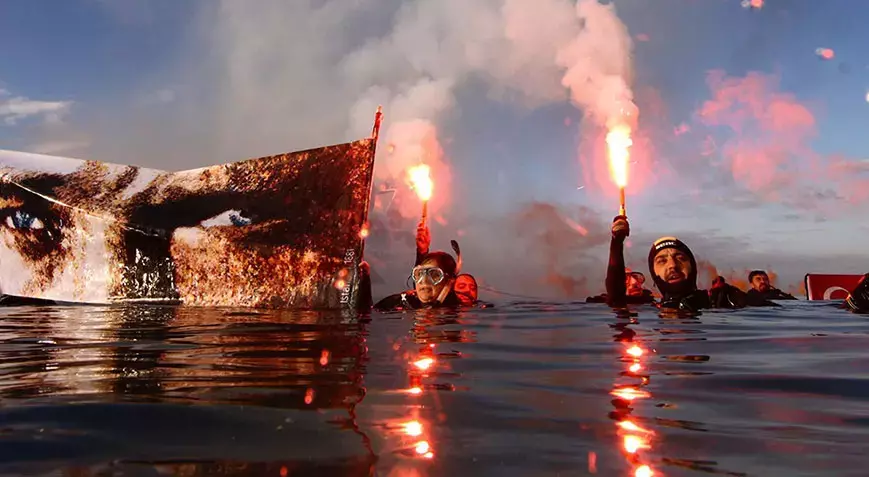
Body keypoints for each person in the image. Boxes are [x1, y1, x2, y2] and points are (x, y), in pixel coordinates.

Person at [604, 215, 748, 312]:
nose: (672, 265)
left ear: (692, 266)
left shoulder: (720, 299)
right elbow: (616, 300)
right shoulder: (648, 308)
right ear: (654, 273)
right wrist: (616, 243)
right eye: (662, 261)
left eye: (680, 258)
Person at [370, 251, 461, 311]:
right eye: (419, 274)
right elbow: (366, 312)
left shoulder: (458, 309)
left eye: (434, 274)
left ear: (448, 281)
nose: (424, 281)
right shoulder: (403, 301)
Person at [586, 268, 655, 304]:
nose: (634, 281)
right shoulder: (600, 302)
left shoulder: (649, 301)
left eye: (636, 277)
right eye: (625, 278)